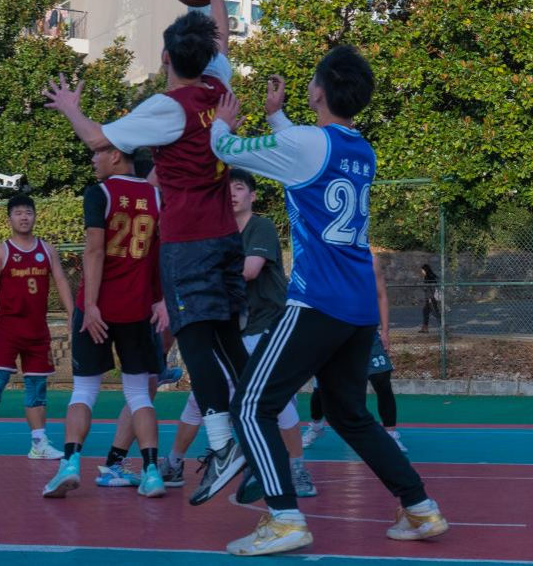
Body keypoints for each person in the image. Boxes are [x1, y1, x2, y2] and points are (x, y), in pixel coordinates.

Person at [212, 51, 448, 556]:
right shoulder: (363, 149)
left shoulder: (305, 143)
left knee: (250, 406)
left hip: (317, 301)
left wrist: (221, 122)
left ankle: (284, 518)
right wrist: (276, 116)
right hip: (359, 307)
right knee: (349, 414)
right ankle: (420, 507)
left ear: (317, 91)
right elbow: (307, 156)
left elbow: (227, 148)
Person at [44, 0, 249, 507]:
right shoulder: (217, 88)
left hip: (188, 241)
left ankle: (222, 443)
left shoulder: (168, 106)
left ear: (165, 57)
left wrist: (71, 107)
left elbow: (98, 139)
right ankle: (254, 432)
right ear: (207, 55)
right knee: (228, 342)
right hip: (225, 237)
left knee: (195, 342)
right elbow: (223, 38)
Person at [167, 167, 315, 500]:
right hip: (231, 328)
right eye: (226, 189)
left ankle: (296, 468)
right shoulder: (215, 231)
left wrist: (200, 275)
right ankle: (173, 463)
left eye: (238, 188)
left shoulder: (260, 227)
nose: (231, 194)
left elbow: (249, 271)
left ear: (252, 195)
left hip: (267, 326)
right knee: (201, 396)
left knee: (271, 398)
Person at [42, 146, 169, 499]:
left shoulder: (100, 193)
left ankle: (70, 464)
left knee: (84, 390)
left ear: (115, 155)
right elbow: (161, 252)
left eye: (98, 152)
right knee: (139, 394)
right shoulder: (157, 196)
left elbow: (95, 249)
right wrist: (160, 298)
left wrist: (91, 305)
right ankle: (152, 473)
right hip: (138, 308)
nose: (93, 159)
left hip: (98, 308)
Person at [0, 194, 75, 460]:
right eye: (18, 213)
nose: (24, 217)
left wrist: (72, 314)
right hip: (7, 329)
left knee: (37, 389)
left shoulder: (47, 250)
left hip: (37, 330)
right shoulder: (0, 252)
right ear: (9, 219)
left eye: (28, 212)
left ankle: (38, 443)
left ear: (35, 216)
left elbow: (61, 281)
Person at [303, 256, 406, 453]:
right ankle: (316, 427)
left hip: (365, 331)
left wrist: (385, 331)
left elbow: (381, 295)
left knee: (382, 380)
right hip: (332, 331)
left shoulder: (370, 260)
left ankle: (391, 434)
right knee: (322, 387)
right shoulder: (326, 257)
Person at [420, 264, 442, 333]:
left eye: (422, 270)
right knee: (425, 312)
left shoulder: (429, 278)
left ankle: (445, 326)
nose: (422, 272)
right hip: (429, 298)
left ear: (425, 270)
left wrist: (430, 299)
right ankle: (425, 328)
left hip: (431, 299)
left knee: (436, 313)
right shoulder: (427, 277)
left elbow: (432, 289)